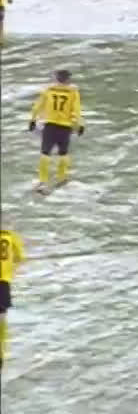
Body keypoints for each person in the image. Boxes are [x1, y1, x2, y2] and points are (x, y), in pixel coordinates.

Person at [27, 69, 83, 195]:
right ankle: (62, 178)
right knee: (63, 153)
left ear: (56, 78)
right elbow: (77, 110)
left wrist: (32, 120)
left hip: (50, 125)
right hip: (65, 126)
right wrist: (80, 125)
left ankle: (42, 181)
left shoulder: (49, 89)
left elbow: (38, 105)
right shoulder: (73, 92)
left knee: (45, 153)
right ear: (68, 79)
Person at [0, 225, 22, 368]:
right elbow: (20, 258)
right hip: (3, 284)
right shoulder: (11, 236)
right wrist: (10, 271)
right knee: (2, 320)